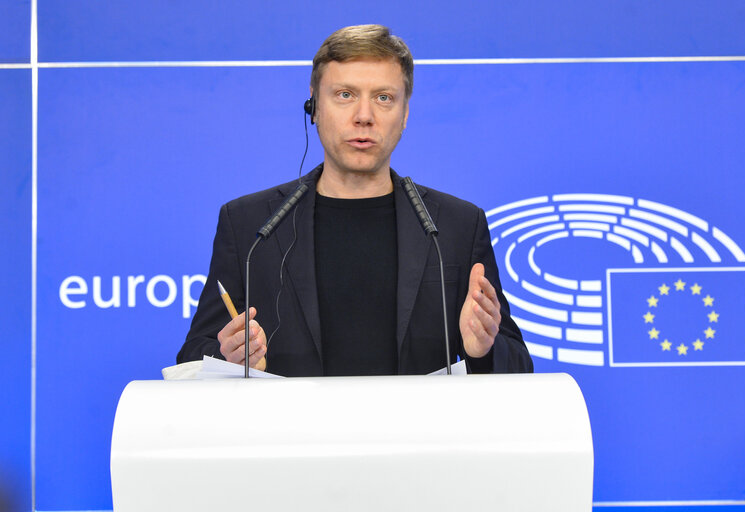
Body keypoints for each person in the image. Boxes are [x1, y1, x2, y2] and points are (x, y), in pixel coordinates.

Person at [177, 24, 532, 376]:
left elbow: (518, 365)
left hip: (417, 432)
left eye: (383, 97)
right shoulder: (250, 225)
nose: (364, 116)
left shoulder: (457, 226)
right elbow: (193, 358)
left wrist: (482, 351)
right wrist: (227, 356)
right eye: (345, 95)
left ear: (405, 114)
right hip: (290, 431)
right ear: (314, 107)